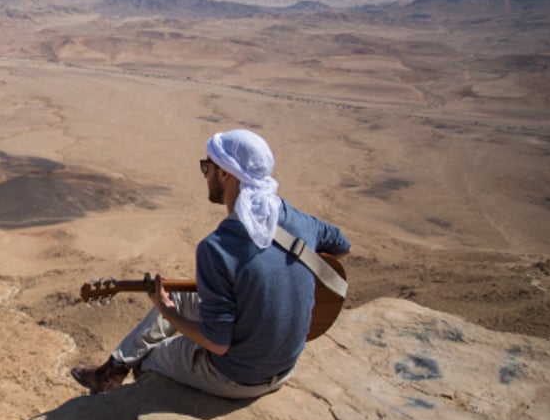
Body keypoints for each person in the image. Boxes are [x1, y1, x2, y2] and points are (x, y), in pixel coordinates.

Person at [71, 129, 350, 400]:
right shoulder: (300, 220)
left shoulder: (217, 247)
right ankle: (111, 370)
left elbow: (218, 342)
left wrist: (168, 314)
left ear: (225, 173)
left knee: (150, 358)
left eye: (208, 167)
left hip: (239, 378)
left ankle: (129, 390)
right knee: (180, 298)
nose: (205, 175)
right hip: (286, 365)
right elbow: (341, 246)